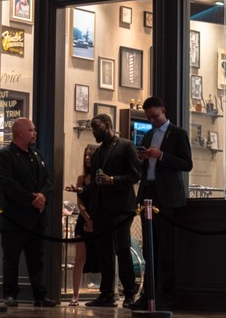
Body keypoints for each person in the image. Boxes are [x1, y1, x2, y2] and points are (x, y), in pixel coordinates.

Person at [130, 97, 193, 311]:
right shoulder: (148, 134)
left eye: (155, 116)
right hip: (148, 193)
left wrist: (162, 155)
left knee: (166, 250)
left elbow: (187, 164)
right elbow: (147, 166)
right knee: (149, 250)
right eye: (149, 118)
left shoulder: (178, 134)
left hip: (167, 198)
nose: (153, 121)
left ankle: (166, 296)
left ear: (163, 111)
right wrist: (144, 158)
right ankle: (148, 295)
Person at [0, 117, 57, 308]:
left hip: (36, 218)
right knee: (11, 259)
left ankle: (40, 296)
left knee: (37, 259)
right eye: (31, 130)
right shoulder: (4, 156)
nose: (34, 133)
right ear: (20, 132)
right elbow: (8, 185)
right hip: (14, 219)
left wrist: (43, 196)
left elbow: (49, 181)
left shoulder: (37, 155)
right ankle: (10, 294)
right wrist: (33, 199)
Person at [84, 113, 141, 308]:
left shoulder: (126, 146)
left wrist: (113, 180)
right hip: (101, 210)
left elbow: (135, 175)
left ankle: (130, 294)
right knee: (104, 253)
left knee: (122, 250)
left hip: (121, 209)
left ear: (108, 125)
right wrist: (88, 206)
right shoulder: (97, 153)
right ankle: (106, 294)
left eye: (96, 128)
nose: (93, 132)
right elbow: (94, 185)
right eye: (92, 129)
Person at [64, 146, 100, 306]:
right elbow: (79, 202)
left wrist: (94, 221)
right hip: (83, 221)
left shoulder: (100, 178)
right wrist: (87, 219)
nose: (87, 158)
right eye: (85, 155)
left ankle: (104, 293)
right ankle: (75, 296)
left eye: (90, 155)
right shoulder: (81, 178)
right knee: (79, 258)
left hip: (99, 220)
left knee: (103, 257)